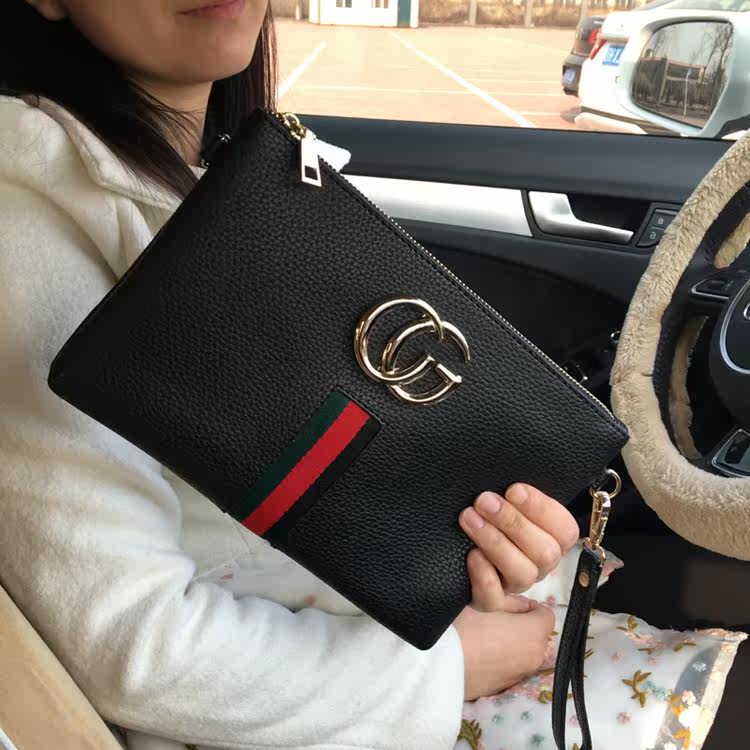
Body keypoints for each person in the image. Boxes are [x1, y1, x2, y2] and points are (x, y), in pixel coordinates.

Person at [0, 2, 581, 749]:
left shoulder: (226, 175)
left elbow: (305, 484)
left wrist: (473, 543)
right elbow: (134, 644)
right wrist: (447, 667)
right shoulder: (26, 221)